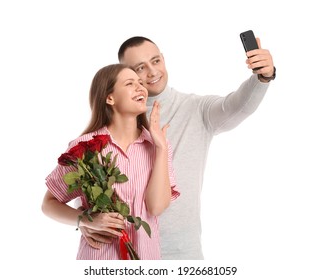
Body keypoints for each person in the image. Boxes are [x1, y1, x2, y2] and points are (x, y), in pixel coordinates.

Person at [80, 35, 276, 259]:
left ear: (163, 59)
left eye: (156, 61)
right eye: (140, 68)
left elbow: (237, 106)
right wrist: (84, 220)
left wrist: (262, 77)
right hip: (122, 253)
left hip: (183, 255)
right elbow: (87, 193)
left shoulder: (196, 109)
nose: (152, 72)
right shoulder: (112, 127)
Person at [42, 63, 179, 260]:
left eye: (141, 83)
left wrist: (161, 148)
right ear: (110, 97)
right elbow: (49, 203)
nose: (141, 87)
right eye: (130, 83)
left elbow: (156, 207)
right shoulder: (85, 148)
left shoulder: (157, 146)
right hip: (100, 260)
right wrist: (84, 221)